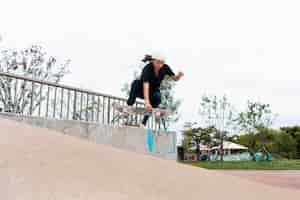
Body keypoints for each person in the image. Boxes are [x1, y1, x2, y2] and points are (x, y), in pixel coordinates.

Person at [126, 53, 184, 126]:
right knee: (135, 83)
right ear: (153, 61)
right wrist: (147, 102)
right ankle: (129, 106)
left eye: (162, 63)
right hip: (141, 90)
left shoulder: (165, 68)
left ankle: (143, 123)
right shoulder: (147, 68)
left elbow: (174, 78)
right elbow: (145, 85)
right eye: (158, 62)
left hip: (153, 92)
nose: (160, 65)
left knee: (158, 97)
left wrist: (179, 75)